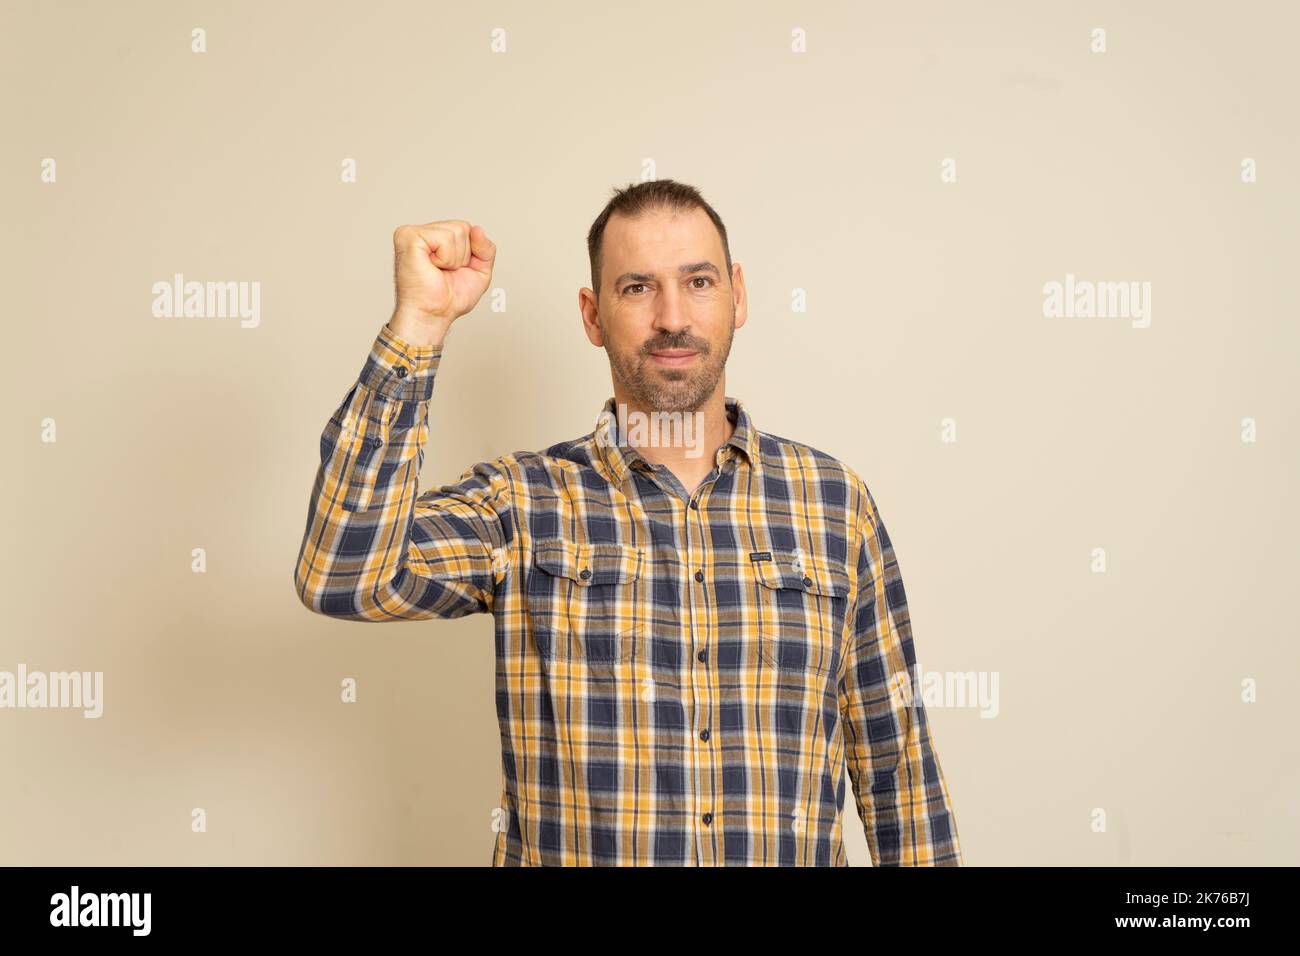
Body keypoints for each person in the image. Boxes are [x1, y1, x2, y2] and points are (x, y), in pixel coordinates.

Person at [293, 179, 963, 866]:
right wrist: (420, 326)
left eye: (698, 281)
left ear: (738, 294)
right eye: (637, 288)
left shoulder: (833, 504)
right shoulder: (521, 504)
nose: (673, 316)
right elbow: (342, 575)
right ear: (593, 315)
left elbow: (898, 771)